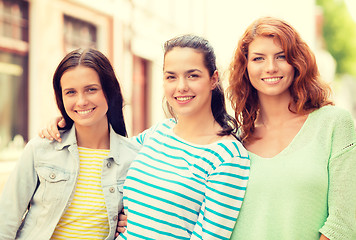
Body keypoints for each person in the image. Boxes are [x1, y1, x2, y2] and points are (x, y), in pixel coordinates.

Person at [39, 34, 251, 240]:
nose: (181, 86)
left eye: (192, 75)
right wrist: (67, 122)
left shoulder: (228, 156)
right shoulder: (157, 134)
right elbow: (103, 152)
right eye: (171, 77)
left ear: (213, 79)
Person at [227, 16, 356, 240]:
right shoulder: (234, 141)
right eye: (258, 58)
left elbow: (344, 224)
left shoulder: (334, 124)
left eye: (281, 56)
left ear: (297, 62)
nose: (270, 67)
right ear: (245, 67)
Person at [0, 48, 140, 239]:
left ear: (109, 91)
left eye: (91, 89)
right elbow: (5, 219)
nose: (81, 101)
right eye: (71, 92)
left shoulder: (134, 158)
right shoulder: (41, 149)